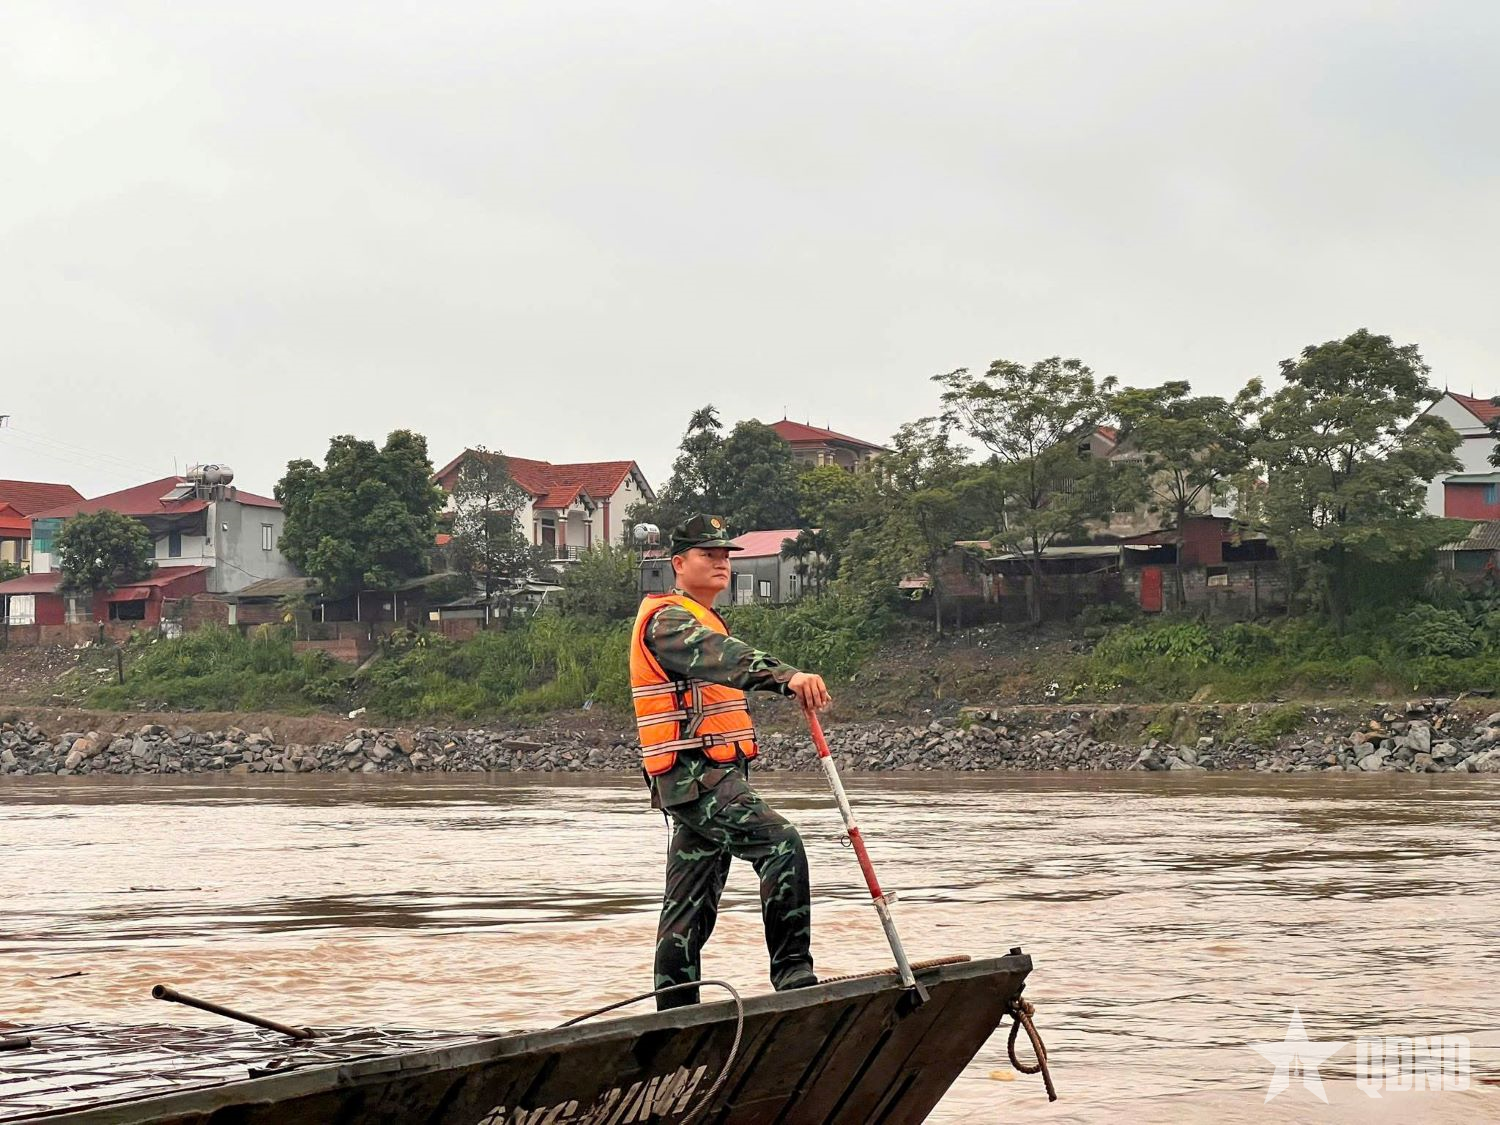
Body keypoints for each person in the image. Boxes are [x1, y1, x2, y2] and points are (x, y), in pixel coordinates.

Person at [629, 514, 832, 1009]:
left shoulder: (704, 617)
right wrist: (786, 676)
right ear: (678, 563)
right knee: (781, 845)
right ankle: (794, 977)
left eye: (724, 555)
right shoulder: (668, 620)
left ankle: (674, 1011)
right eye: (707, 555)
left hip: (710, 775)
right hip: (695, 776)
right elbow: (722, 656)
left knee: (689, 904)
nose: (720, 563)